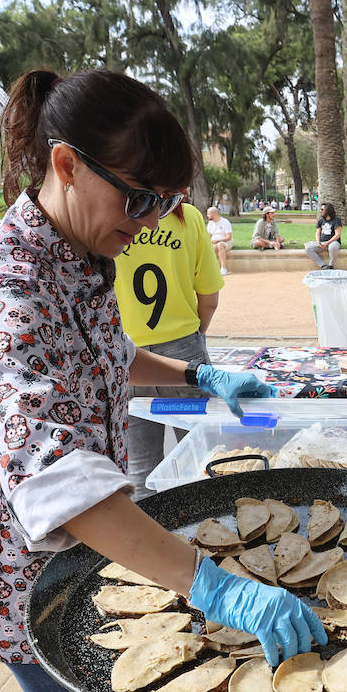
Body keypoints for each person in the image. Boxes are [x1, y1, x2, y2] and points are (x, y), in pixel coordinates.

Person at [0, 68, 321, 692]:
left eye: (165, 203)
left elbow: (105, 355)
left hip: (78, 556)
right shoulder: (6, 292)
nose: (147, 221)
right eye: (137, 197)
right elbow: (56, 480)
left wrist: (194, 376)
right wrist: (215, 587)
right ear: (66, 164)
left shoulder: (79, 253)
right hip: (20, 574)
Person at [116, 200, 223, 498]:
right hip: (185, 354)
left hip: (127, 357)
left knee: (140, 473)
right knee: (206, 463)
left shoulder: (113, 216)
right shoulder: (187, 217)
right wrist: (193, 339)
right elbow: (209, 298)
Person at [304, 202, 343, 268]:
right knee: (308, 248)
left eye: (322, 209)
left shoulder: (336, 220)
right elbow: (318, 233)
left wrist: (327, 243)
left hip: (333, 242)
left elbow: (337, 235)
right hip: (322, 243)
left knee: (332, 247)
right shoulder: (321, 221)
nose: (320, 211)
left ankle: (331, 265)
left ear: (328, 210)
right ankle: (323, 265)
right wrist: (318, 242)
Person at [205, 206, 233, 275]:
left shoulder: (225, 222)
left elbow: (229, 237)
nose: (207, 215)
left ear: (213, 214)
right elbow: (208, 236)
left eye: (208, 214)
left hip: (226, 242)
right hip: (214, 243)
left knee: (220, 245)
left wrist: (218, 240)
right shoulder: (210, 223)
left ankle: (223, 269)